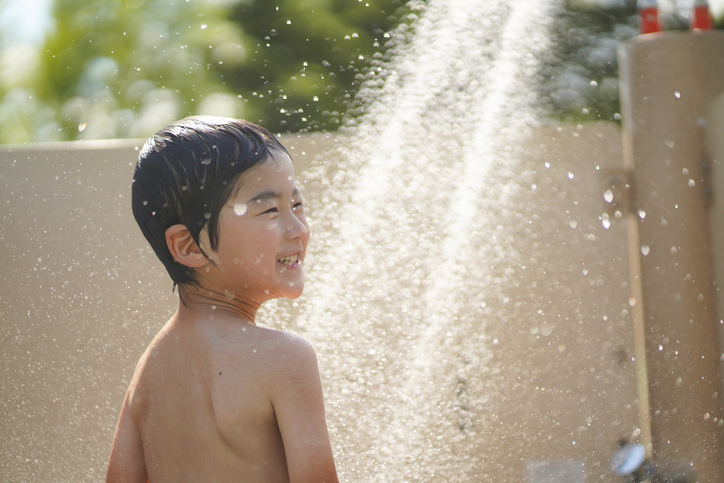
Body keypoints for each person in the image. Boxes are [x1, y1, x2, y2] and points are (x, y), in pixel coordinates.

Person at [106, 116, 338, 483]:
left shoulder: (149, 372)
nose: (298, 229)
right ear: (188, 246)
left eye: (296, 204)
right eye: (270, 210)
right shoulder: (283, 359)